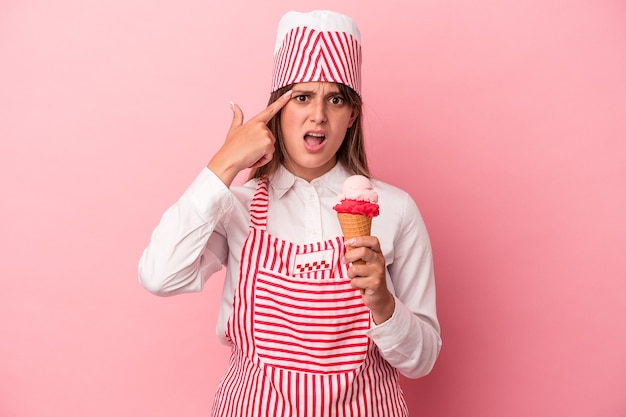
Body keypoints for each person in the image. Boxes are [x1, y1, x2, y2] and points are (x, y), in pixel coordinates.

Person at [139, 10, 441, 416]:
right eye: (302, 97)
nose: (318, 115)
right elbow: (159, 276)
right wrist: (223, 165)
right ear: (277, 110)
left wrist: (383, 302)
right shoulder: (236, 207)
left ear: (352, 115)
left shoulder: (395, 210)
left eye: (335, 99)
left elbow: (422, 362)